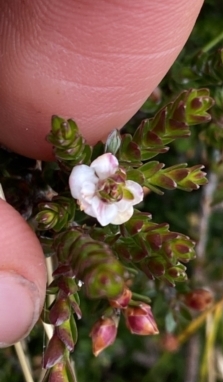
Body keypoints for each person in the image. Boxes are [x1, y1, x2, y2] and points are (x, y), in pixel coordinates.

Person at [0, 0, 203, 347]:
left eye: (114, 191)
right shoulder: (95, 176)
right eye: (112, 188)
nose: (112, 191)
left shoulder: (110, 200)